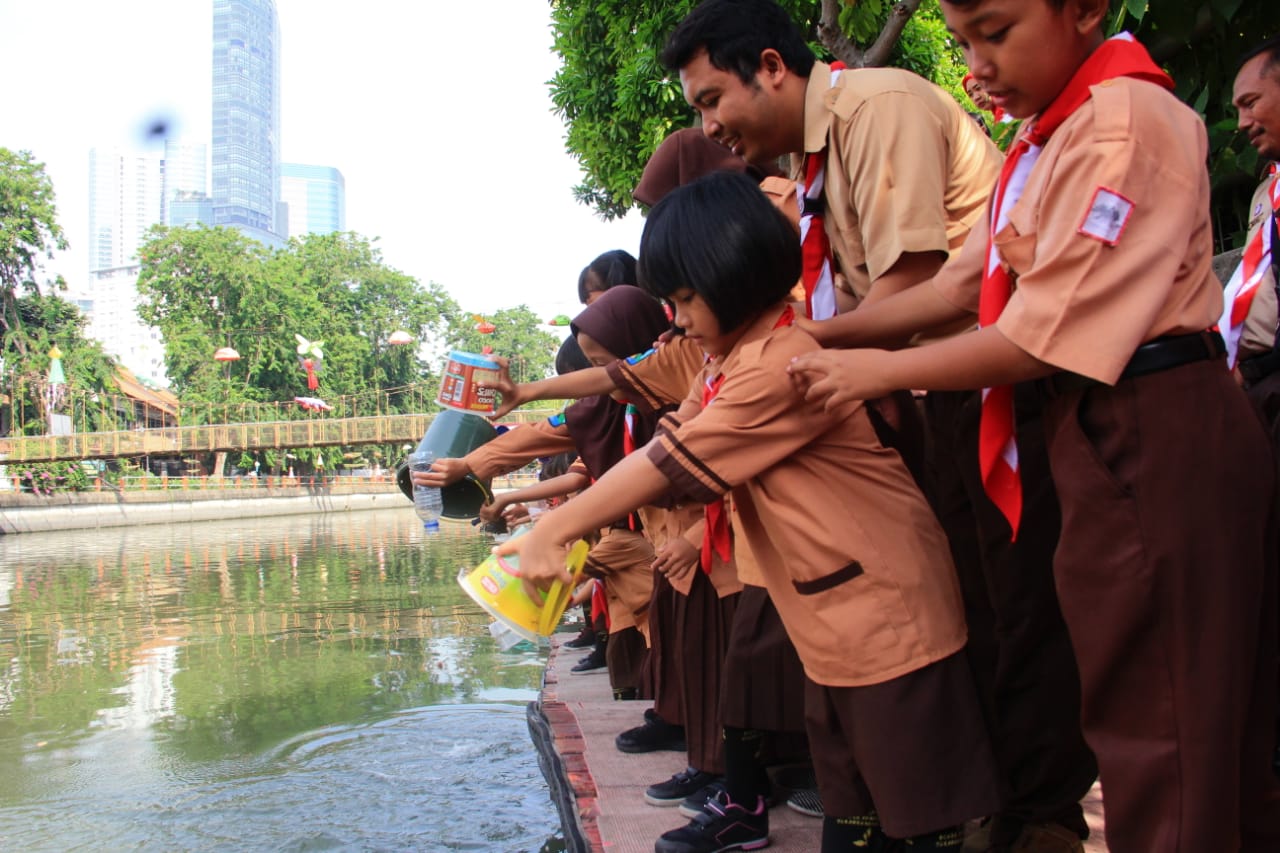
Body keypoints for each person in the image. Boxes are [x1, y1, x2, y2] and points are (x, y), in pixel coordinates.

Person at [788, 2, 1280, 850]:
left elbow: (1038, 332)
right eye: (965, 41)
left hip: (1152, 425)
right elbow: (955, 288)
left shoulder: (1122, 124)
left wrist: (872, 370)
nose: (977, 64)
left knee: (1165, 720)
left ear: (1085, 10)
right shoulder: (1048, 138)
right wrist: (816, 339)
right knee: (1145, 697)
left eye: (997, 31)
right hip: (1100, 426)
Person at [661, 3, 1096, 849]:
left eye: (713, 100)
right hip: (921, 396)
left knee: (1019, 618)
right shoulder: (815, 160)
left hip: (986, 391)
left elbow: (911, 294)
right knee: (981, 613)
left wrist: (779, 359)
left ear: (775, 69)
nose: (711, 127)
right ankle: (989, 810)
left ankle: (1039, 818)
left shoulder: (878, 109)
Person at [500, 171, 1001, 853]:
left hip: (887, 624)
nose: (676, 320)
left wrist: (558, 525)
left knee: (915, 816)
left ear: (731, 276)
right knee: (853, 811)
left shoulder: (778, 365)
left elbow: (670, 461)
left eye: (684, 299)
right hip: (834, 625)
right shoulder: (730, 366)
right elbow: (672, 442)